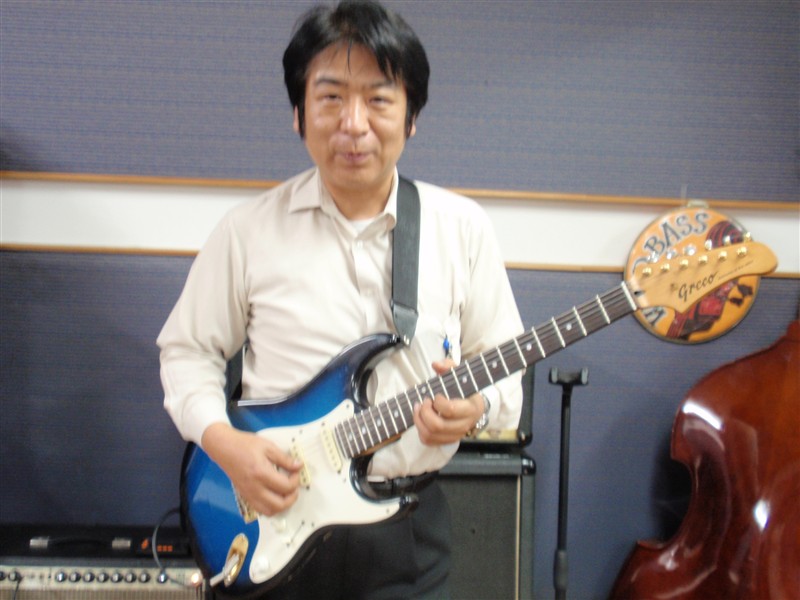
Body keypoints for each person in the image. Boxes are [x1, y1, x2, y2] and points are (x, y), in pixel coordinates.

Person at [157, 1, 524, 598]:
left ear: (411, 117)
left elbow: (505, 366)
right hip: (272, 517)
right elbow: (186, 352)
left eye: (379, 99)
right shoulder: (247, 231)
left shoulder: (462, 229)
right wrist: (226, 446)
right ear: (298, 115)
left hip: (405, 535)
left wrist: (477, 407)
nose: (354, 123)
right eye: (330, 97)